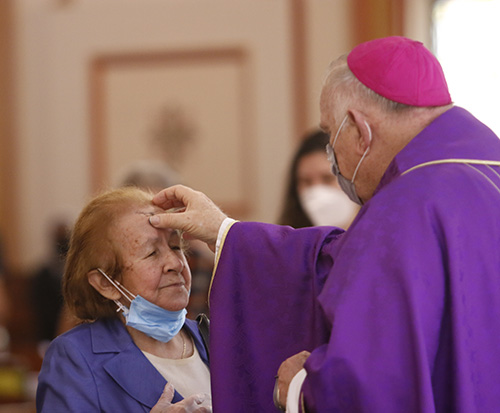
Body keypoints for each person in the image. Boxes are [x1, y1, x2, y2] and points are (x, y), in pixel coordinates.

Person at [148, 36, 500, 412]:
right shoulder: (482, 174)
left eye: (331, 135)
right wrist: (224, 230)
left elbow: (375, 381)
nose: (333, 156)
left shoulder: (404, 206)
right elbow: (342, 261)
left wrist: (301, 387)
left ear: (360, 131)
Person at [36, 187, 212, 412]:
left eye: (176, 246)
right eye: (151, 253)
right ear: (106, 284)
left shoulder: (213, 339)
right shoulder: (75, 358)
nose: (176, 264)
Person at [278, 130, 358, 229]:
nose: (316, 189)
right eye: (306, 181)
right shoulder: (289, 241)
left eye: (327, 179)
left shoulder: (379, 238)